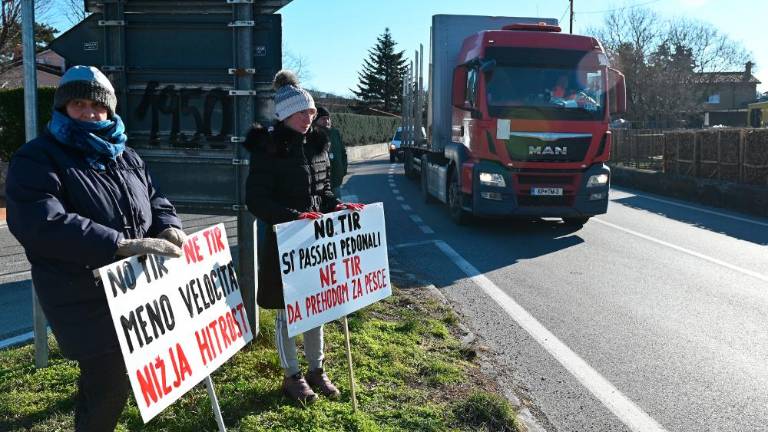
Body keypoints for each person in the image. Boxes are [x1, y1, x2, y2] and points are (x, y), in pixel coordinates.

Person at [5, 65, 186, 431]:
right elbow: (40, 222)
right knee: (109, 382)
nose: (89, 113)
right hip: (81, 290)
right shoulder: (37, 157)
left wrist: (169, 227)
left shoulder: (127, 155)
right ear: (62, 108)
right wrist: (116, 245)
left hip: (135, 288)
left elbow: (155, 197)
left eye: (97, 106)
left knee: (123, 378)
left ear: (110, 110)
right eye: (78, 104)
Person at [243, 70, 363, 405]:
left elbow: (322, 192)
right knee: (286, 312)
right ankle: (292, 375)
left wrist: (337, 205)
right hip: (284, 241)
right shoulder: (267, 149)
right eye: (301, 113)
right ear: (284, 116)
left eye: (311, 112)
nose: (308, 119)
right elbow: (257, 200)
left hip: (315, 242)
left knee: (317, 306)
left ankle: (316, 369)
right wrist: (294, 217)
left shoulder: (317, 145)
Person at [312, 106, 347, 197]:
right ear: (315, 120)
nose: (327, 121)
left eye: (328, 118)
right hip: (320, 184)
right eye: (323, 119)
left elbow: (343, 153)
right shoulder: (312, 135)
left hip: (336, 181)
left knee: (338, 207)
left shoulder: (335, 133)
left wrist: (343, 170)